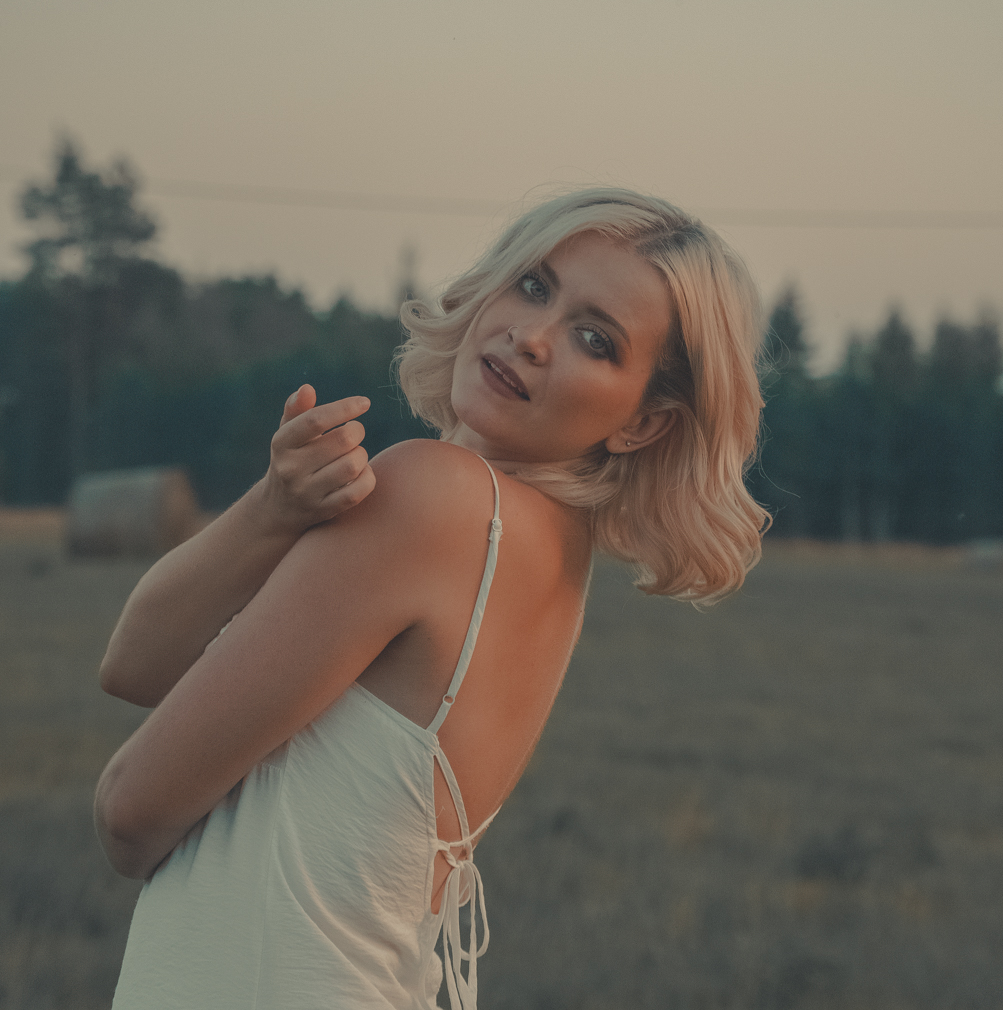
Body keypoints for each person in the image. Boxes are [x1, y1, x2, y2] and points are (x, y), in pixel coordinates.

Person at [94, 187, 769, 1009]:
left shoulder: (437, 499)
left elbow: (129, 813)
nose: (532, 337)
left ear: (642, 425)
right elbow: (133, 665)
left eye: (594, 339)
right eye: (534, 285)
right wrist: (272, 508)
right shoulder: (548, 554)